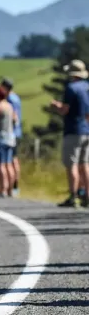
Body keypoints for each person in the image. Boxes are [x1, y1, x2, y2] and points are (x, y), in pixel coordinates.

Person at [49, 60, 89, 208]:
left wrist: (56, 106)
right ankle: (87, 196)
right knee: (85, 164)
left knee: (71, 163)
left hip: (73, 129)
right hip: (86, 129)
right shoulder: (87, 87)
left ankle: (74, 195)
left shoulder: (71, 88)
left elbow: (65, 110)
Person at [0, 78, 22, 195]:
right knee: (14, 159)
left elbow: (14, 116)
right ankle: (13, 185)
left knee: (11, 160)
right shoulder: (16, 97)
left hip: (11, 132)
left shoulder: (10, 99)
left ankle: (12, 186)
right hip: (17, 132)